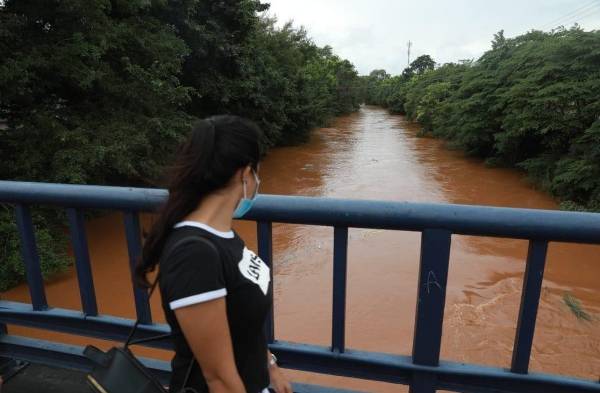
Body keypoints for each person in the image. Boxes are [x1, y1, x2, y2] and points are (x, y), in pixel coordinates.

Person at [135, 115, 292, 393]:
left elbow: (243, 321)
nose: (258, 181)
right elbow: (218, 379)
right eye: (257, 172)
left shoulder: (224, 235)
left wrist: (269, 366)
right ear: (245, 174)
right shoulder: (194, 255)